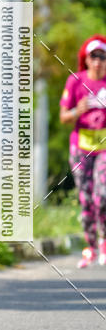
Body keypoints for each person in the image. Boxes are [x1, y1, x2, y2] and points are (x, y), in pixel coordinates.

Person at [59, 35, 106, 268]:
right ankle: (91, 247)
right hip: (81, 148)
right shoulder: (75, 81)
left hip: (104, 149)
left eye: (102, 57)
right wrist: (77, 110)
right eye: (93, 56)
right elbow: (63, 117)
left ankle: (104, 240)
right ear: (86, 59)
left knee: (103, 195)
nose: (98, 61)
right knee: (86, 199)